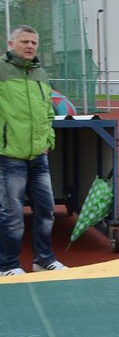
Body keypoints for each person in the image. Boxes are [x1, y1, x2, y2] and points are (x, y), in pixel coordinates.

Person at [0, 25, 69, 275]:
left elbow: (47, 110)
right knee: (12, 214)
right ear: (11, 44)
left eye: (34, 43)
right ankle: (8, 265)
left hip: (38, 155)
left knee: (46, 210)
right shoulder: (1, 70)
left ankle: (43, 259)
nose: (30, 46)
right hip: (9, 156)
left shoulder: (40, 73)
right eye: (24, 42)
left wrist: (47, 140)